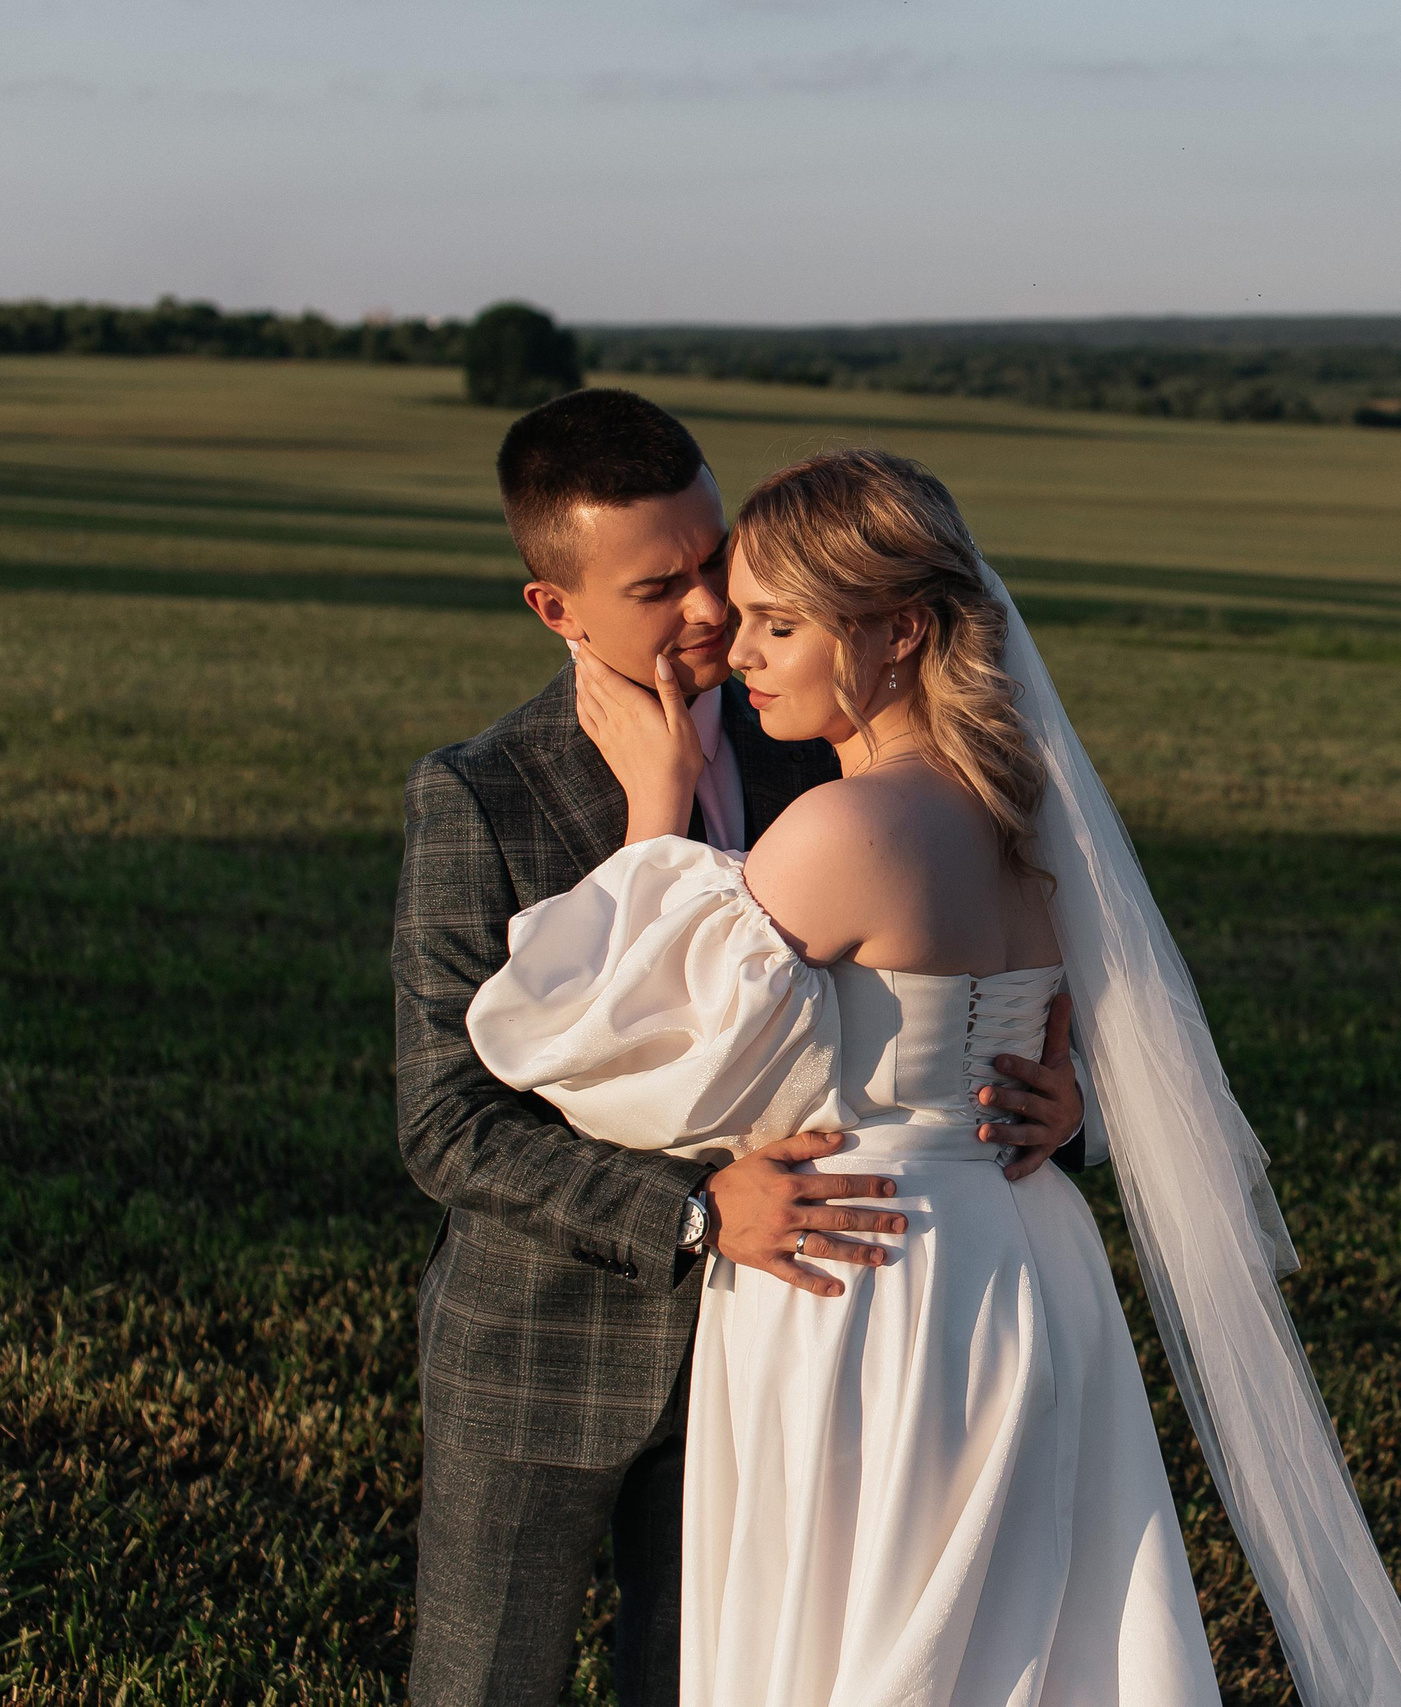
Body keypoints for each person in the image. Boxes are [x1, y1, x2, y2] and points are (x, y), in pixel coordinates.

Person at [463, 449, 1401, 1705]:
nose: (739, 649)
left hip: (864, 1268)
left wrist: (655, 814)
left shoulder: (841, 829)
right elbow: (1054, 1017)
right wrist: (1072, 1098)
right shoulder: (1024, 806)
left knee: (872, 1636)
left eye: (777, 622)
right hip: (1026, 1252)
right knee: (1028, 1623)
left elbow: (596, 1037)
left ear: (900, 631)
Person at [390, 392, 1095, 1707]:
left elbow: (969, 987)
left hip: (804, 1343)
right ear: (560, 610)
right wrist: (696, 1208)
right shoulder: (480, 792)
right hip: (551, 1339)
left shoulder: (821, 750)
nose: (714, 613)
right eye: (662, 587)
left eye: (719, 565)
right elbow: (450, 1121)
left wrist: (1059, 1106)